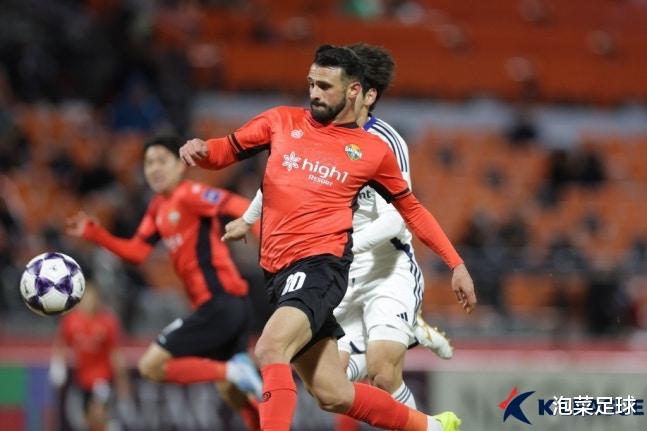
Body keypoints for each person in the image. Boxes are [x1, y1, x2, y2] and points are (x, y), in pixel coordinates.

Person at [179, 45, 476, 431]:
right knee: (331, 392)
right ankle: (432, 427)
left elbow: (411, 210)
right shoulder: (280, 121)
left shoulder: (373, 150)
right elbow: (226, 149)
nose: (314, 93)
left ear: (354, 91)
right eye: (311, 84)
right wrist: (202, 151)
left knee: (270, 348)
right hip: (278, 273)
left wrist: (456, 264)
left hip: (321, 267)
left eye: (325, 86)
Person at [66, 135, 263, 430]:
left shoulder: (190, 194)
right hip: (225, 306)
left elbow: (237, 204)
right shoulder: (158, 208)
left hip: (221, 302)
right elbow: (137, 252)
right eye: (148, 163)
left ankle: (233, 370)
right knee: (232, 392)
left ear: (180, 166)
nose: (154, 168)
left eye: (162, 161)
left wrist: (257, 232)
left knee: (152, 366)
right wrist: (97, 234)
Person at [50, 282, 129, 431]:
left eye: (92, 299)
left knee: (98, 413)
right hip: (82, 379)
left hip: (102, 378)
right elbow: (61, 344)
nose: (89, 303)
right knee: (87, 419)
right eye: (86, 299)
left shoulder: (107, 322)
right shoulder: (71, 321)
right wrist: (58, 365)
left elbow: (116, 352)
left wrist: (122, 380)